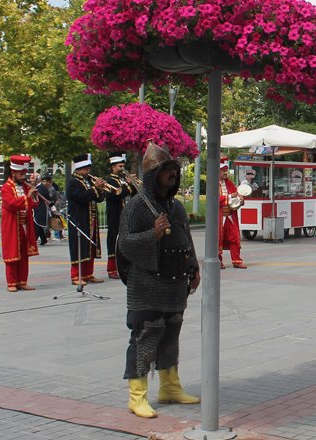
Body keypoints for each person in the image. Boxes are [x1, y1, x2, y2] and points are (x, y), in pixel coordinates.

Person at [118, 143, 200, 419]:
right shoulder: (136, 207)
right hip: (147, 284)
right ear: (154, 175)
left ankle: (170, 387)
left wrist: (194, 266)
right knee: (146, 337)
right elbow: (125, 244)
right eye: (166, 170)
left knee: (171, 338)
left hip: (176, 283)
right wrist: (152, 234)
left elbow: (185, 238)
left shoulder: (175, 206)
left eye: (173, 169)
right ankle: (137, 396)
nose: (172, 174)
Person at [1, 155, 39, 292]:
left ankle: (22, 281)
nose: (24, 176)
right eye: (21, 174)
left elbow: (33, 204)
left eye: (25, 174)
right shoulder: (5, 188)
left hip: (25, 225)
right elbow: (11, 204)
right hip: (12, 226)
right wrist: (27, 197)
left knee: (24, 254)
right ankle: (11, 282)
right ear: (14, 173)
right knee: (12, 254)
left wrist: (34, 194)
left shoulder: (24, 186)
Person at [67, 153, 106, 285]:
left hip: (91, 218)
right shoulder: (73, 182)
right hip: (79, 219)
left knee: (90, 246)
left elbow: (99, 198)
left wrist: (100, 189)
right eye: (86, 169)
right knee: (79, 246)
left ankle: (88, 274)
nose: (88, 171)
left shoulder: (88, 181)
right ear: (79, 169)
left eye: (89, 169)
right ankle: (75, 276)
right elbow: (82, 197)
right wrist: (95, 188)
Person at [104, 153, 136, 279]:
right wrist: (127, 185)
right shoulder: (110, 181)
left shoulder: (122, 180)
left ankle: (125, 266)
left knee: (126, 240)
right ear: (113, 167)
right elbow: (116, 195)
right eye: (120, 166)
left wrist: (133, 185)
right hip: (115, 214)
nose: (122, 169)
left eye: (123, 166)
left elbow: (131, 194)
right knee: (113, 240)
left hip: (126, 214)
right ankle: (111, 268)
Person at [217, 157, 246, 269]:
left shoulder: (229, 183)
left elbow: (237, 195)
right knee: (218, 239)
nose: (225, 173)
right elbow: (215, 199)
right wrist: (230, 196)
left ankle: (237, 260)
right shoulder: (213, 183)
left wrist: (240, 199)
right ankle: (218, 261)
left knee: (234, 237)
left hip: (230, 216)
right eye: (223, 171)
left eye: (226, 171)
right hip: (219, 217)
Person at [32, 174, 55, 246]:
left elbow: (48, 198)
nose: (32, 180)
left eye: (33, 178)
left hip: (41, 208)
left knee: (37, 224)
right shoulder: (37, 187)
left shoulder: (41, 187)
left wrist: (52, 206)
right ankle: (43, 239)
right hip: (36, 207)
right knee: (37, 223)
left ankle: (34, 239)